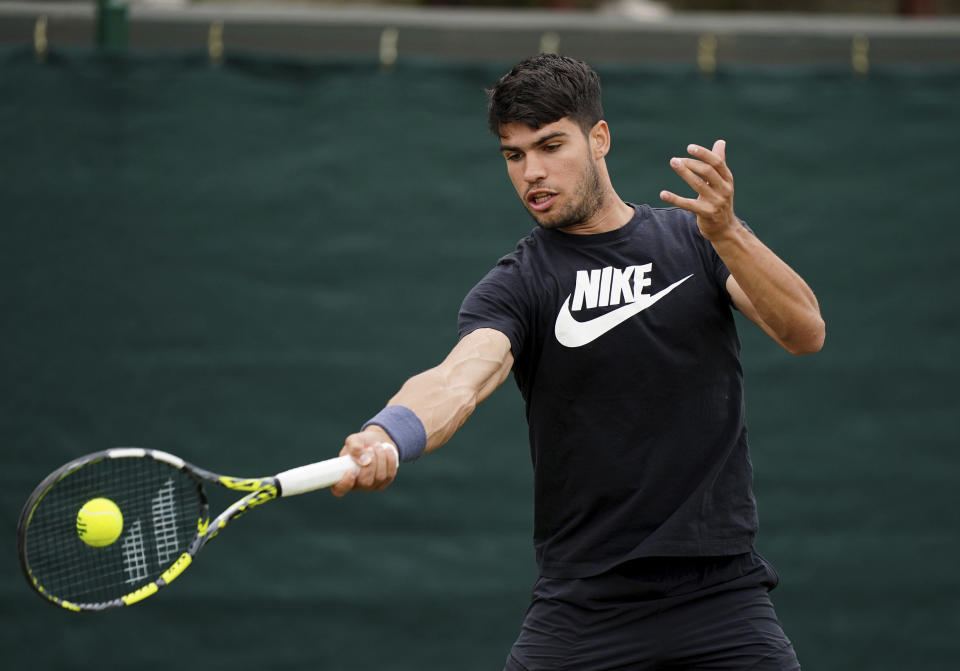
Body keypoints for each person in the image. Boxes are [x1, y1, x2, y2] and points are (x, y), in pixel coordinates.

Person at [332, 54, 824, 670]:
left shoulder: (696, 241)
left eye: (549, 145)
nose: (532, 171)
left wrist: (727, 232)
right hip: (583, 607)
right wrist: (389, 432)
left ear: (600, 138)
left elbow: (805, 332)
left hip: (721, 597)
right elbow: (459, 378)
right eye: (514, 155)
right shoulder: (516, 285)